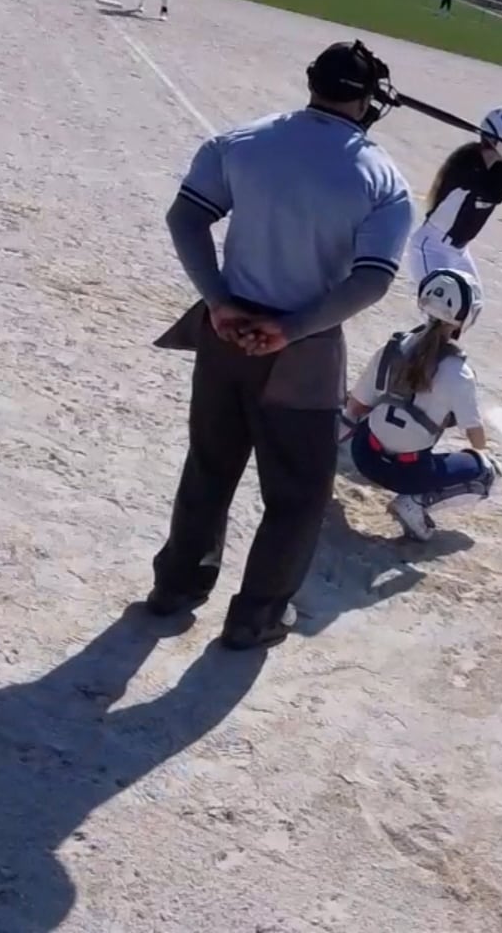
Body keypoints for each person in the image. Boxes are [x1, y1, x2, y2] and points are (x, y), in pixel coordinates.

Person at [148, 40, 416, 650]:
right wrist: (290, 330)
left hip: (223, 335)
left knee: (210, 467)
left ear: (312, 82)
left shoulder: (241, 141)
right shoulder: (382, 178)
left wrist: (218, 300)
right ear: (368, 100)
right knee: (297, 494)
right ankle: (257, 615)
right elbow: (371, 280)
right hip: (304, 351)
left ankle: (175, 587)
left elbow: (185, 218)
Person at [340, 268, 500, 542]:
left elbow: (355, 406)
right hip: (407, 474)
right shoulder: (458, 372)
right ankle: (416, 501)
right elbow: (475, 437)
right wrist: (481, 450)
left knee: (365, 409)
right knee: (487, 472)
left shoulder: (392, 348)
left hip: (364, 456)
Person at [404, 106, 502, 293]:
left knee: (472, 305)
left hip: (459, 251)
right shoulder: (468, 164)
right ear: (496, 141)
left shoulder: (495, 166)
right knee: (440, 306)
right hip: (433, 247)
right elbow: (494, 193)